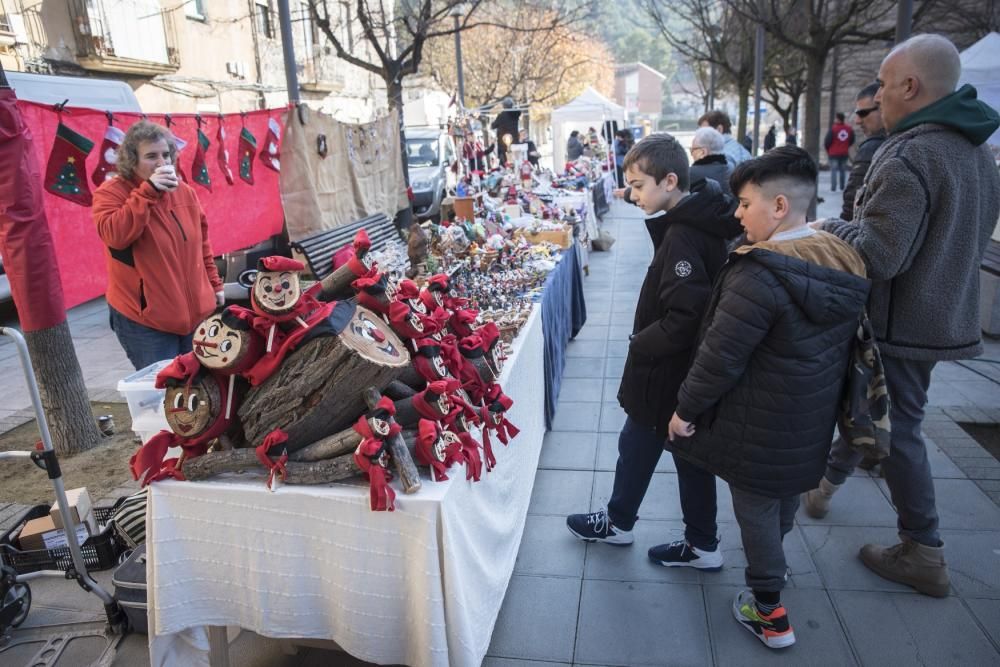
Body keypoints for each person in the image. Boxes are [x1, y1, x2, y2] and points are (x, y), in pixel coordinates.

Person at [807, 34, 1000, 597]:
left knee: (901, 431)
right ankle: (825, 485)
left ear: (910, 87)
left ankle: (924, 549)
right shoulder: (974, 149)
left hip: (904, 323)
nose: (880, 99)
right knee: (878, 412)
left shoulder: (913, 151)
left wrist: (826, 228)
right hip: (941, 317)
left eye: (886, 87)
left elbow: (879, 254)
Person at [667, 146, 870, 649]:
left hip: (758, 419)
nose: (737, 213)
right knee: (782, 496)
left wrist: (684, 410)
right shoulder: (841, 259)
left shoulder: (760, 272)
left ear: (779, 207)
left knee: (754, 505)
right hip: (809, 416)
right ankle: (772, 567)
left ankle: (769, 610)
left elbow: (719, 356)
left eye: (743, 203)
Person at [566, 133, 742, 573]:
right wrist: (636, 192)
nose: (633, 193)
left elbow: (686, 314)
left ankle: (634, 525)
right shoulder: (694, 211)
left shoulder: (683, 234)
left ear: (668, 181)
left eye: (639, 185)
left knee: (647, 443)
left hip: (667, 368)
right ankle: (690, 538)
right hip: (680, 369)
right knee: (675, 452)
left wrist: (640, 342)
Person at [93, 120, 224, 370]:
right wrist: (147, 193)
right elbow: (115, 236)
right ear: (132, 160)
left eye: (166, 154)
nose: (162, 163)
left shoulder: (184, 192)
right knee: (165, 396)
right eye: (151, 156)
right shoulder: (110, 193)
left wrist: (214, 283)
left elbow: (201, 244)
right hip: (147, 322)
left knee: (200, 393)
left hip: (195, 316)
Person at [840, 83, 886, 220]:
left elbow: (852, 200)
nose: (857, 121)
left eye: (863, 113)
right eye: (857, 113)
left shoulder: (871, 148)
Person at [689, 127, 732, 195]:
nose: (691, 154)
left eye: (692, 150)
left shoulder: (691, 174)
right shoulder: (732, 170)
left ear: (703, 152)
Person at [824, 112, 855, 191]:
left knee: (833, 171)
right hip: (844, 153)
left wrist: (828, 150)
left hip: (833, 153)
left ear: (838, 119)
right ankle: (842, 186)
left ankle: (833, 187)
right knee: (842, 170)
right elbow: (852, 140)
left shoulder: (833, 129)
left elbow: (827, 141)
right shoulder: (849, 129)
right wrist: (846, 146)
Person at [490, 97, 521, 166]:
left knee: (505, 163)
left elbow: (493, 125)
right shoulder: (516, 114)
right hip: (515, 142)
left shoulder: (501, 116)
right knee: (516, 162)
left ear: (504, 106)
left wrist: (492, 123)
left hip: (503, 144)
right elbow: (519, 111)